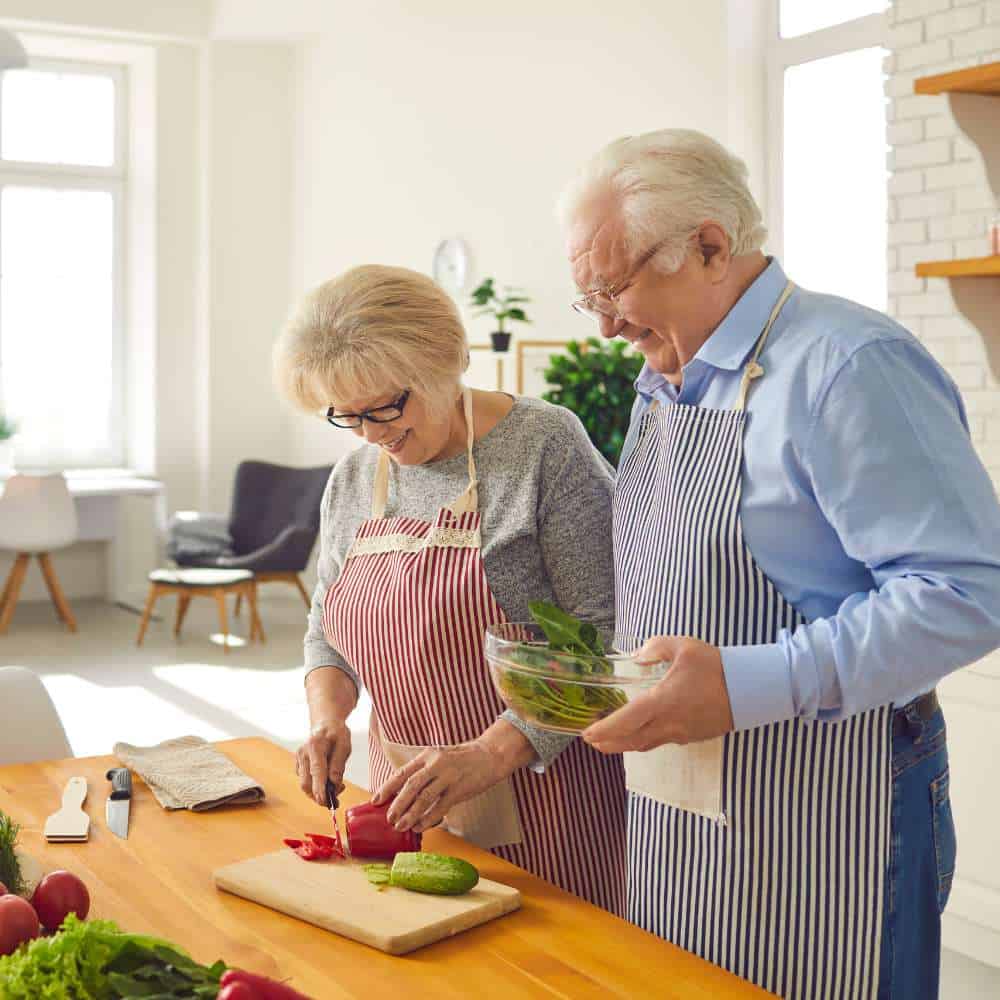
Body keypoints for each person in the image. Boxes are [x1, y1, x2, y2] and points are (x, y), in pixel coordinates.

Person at [556, 129, 1000, 998]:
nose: (606, 325)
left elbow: (966, 592)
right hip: (679, 802)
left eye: (613, 288)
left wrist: (749, 683)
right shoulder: (667, 378)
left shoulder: (847, 364)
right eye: (588, 299)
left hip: (838, 797)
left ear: (712, 246)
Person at [273, 264, 626, 913]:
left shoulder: (543, 446)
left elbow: (603, 640)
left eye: (386, 406)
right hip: (409, 807)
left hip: (547, 803)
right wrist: (328, 718)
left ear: (446, 362)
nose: (372, 434)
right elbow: (329, 628)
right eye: (347, 416)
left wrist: (488, 755)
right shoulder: (353, 479)